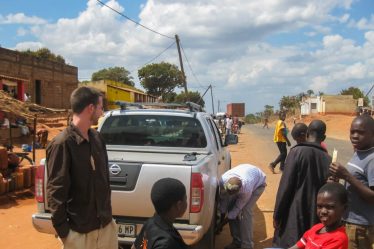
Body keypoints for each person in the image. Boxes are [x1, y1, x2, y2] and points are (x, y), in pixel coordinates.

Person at [46, 86, 117, 249]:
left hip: (105, 228)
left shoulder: (97, 138)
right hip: (79, 234)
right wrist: (65, 235)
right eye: (100, 107)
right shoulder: (62, 144)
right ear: (90, 108)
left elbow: (104, 182)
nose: (102, 112)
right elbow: (56, 192)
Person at [273, 120, 331, 248]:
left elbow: (285, 187)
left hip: (294, 215)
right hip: (314, 217)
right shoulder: (328, 159)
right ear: (324, 137)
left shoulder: (296, 152)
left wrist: (277, 215)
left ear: (308, 133)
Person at [329, 115, 374, 249]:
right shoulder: (359, 152)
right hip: (350, 221)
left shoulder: (372, 159)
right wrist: (337, 181)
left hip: (362, 228)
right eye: (352, 131)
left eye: (360, 132)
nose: (355, 136)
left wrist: (347, 176)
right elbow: (357, 183)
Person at [219, 164, 266, 249]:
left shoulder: (246, 190)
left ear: (239, 190)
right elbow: (224, 198)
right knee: (231, 206)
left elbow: (237, 208)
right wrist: (222, 214)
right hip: (247, 172)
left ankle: (247, 245)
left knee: (245, 211)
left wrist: (227, 219)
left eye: (233, 193)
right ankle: (237, 241)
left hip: (258, 184)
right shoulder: (223, 179)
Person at [132, 178, 188, 249]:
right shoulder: (166, 243)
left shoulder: (150, 223)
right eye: (185, 199)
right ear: (179, 205)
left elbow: (135, 246)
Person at [289, 182, 348, 249]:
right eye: (319, 206)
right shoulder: (316, 228)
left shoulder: (338, 239)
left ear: (344, 208)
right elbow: (299, 245)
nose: (323, 211)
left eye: (330, 207)